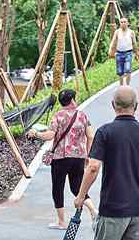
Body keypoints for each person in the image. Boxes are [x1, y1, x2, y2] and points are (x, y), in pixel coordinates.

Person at [74, 86, 139, 240]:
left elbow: (93, 167)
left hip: (113, 208)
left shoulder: (105, 132)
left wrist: (81, 196)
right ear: (136, 106)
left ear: (113, 105)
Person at [27, 89, 97, 230]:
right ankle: (94, 210)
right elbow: (91, 136)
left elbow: (50, 135)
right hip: (78, 157)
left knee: (58, 188)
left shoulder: (58, 116)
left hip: (61, 158)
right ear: (72, 100)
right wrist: (88, 155)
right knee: (77, 187)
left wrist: (36, 134)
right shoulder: (82, 116)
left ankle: (61, 222)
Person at [109, 17, 139, 85]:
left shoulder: (131, 32)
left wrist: (136, 54)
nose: (123, 23)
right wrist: (110, 50)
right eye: (121, 22)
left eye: (125, 22)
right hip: (119, 53)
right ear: (119, 23)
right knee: (120, 72)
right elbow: (113, 41)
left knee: (128, 69)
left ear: (127, 23)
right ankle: (121, 87)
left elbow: (134, 43)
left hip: (128, 53)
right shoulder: (117, 32)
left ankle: (127, 85)